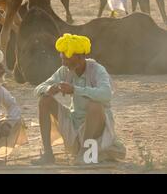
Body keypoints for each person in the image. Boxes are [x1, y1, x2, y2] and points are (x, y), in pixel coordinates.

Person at [33, 34, 126, 165]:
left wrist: (75, 90)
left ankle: (85, 153)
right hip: (74, 124)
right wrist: (49, 89)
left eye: (67, 59)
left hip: (97, 128)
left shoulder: (97, 70)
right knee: (44, 100)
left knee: (95, 105)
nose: (63, 63)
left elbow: (106, 94)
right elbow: (38, 89)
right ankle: (48, 154)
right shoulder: (64, 70)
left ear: (81, 57)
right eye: (62, 58)